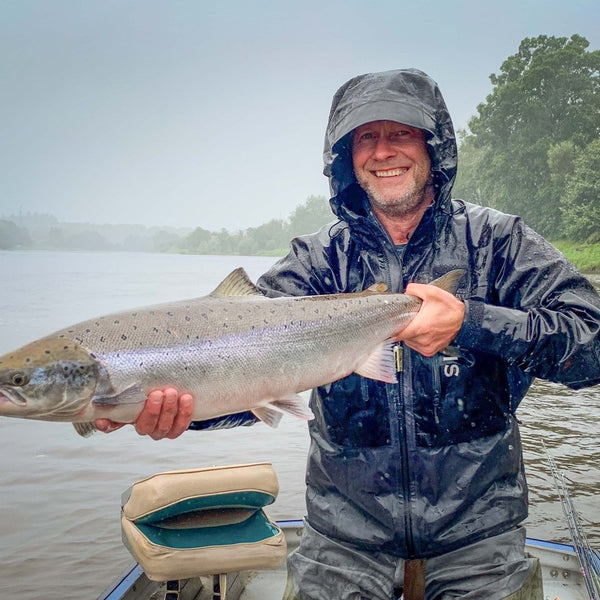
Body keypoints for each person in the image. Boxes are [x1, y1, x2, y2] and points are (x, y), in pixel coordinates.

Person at [97, 69, 600, 599]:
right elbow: (255, 383)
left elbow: (591, 341)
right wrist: (181, 408)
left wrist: (471, 321)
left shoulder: (499, 242)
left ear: (434, 147)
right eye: (366, 137)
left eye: (401, 133)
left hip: (481, 538)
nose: (383, 152)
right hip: (343, 538)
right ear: (345, 156)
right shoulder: (314, 262)